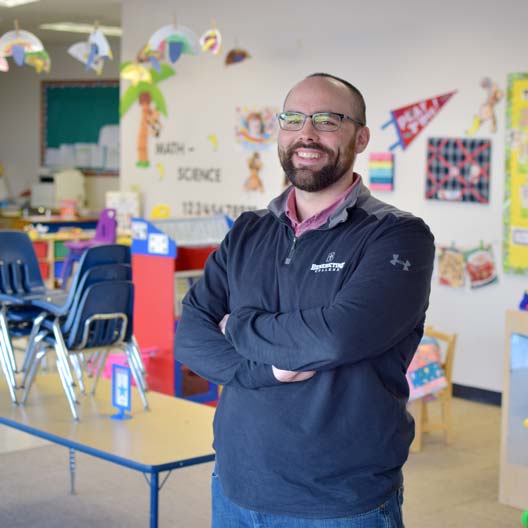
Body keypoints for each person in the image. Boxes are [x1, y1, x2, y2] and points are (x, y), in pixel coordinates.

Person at [175, 73, 435, 527]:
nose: (306, 133)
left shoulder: (397, 236)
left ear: (361, 137)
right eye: (293, 119)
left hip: (338, 500)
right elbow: (190, 334)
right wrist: (265, 370)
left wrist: (237, 325)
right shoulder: (248, 232)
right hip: (235, 483)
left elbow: (336, 337)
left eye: (327, 119)